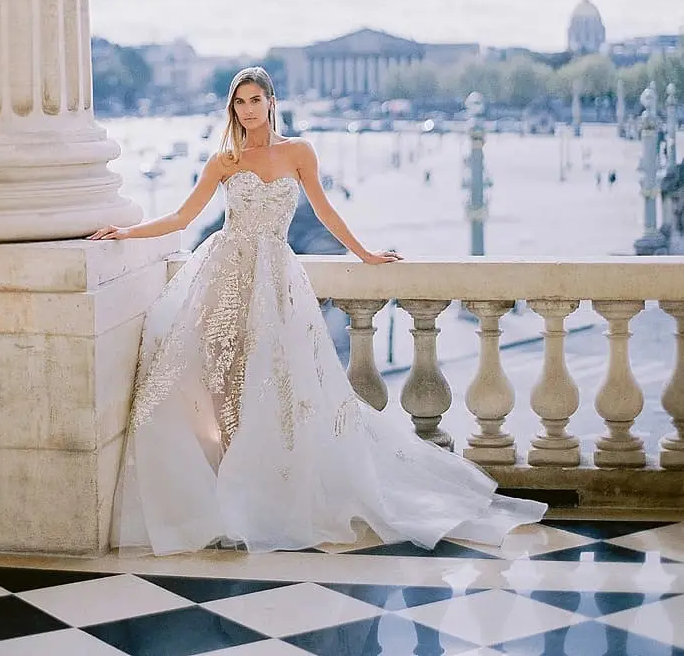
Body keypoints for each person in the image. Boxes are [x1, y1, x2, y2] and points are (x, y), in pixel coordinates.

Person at [90, 67, 545, 556]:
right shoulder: (225, 159)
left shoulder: (299, 152)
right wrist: (124, 233)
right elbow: (183, 217)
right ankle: (227, 482)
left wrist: (366, 254)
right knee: (219, 381)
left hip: (276, 279)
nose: (247, 109)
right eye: (239, 102)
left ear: (271, 101)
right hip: (224, 276)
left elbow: (326, 211)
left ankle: (266, 483)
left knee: (280, 380)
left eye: (254, 100)